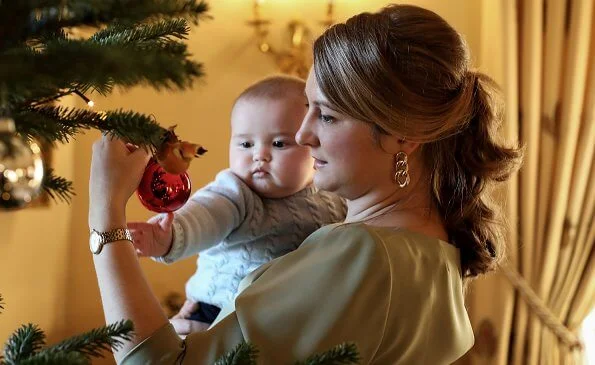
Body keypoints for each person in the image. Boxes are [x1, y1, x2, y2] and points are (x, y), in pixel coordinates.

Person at [88, 4, 522, 364]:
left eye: (327, 115)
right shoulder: (437, 251)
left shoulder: (362, 254)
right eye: (308, 110)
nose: (303, 134)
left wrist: (104, 210)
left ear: (402, 134)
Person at [127, 75, 346, 334]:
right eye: (245, 144)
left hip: (286, 323)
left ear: (313, 143)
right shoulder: (236, 192)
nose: (259, 155)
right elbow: (206, 215)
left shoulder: (332, 195)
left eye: (278, 143)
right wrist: (169, 237)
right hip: (215, 315)